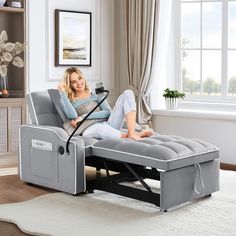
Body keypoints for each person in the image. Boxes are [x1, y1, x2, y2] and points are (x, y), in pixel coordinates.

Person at [58, 67, 153, 140]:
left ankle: (132, 133)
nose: (79, 83)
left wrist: (83, 116)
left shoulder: (96, 93)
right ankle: (132, 135)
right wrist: (62, 92)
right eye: (74, 82)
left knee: (128, 93)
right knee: (101, 128)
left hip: (108, 124)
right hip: (89, 129)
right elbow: (72, 115)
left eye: (79, 78)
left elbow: (108, 112)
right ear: (70, 85)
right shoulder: (67, 100)